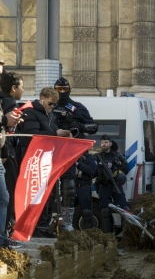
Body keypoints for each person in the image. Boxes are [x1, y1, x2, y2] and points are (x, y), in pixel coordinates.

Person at [20, 87, 70, 236]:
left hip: (47, 160)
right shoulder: (30, 112)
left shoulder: (50, 115)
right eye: (50, 104)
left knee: (48, 195)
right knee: (36, 195)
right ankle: (35, 228)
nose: (52, 107)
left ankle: (43, 225)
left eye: (54, 104)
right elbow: (31, 135)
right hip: (34, 160)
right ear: (42, 99)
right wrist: (55, 133)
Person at [53, 77, 95, 231]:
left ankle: (67, 222)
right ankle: (49, 221)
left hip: (70, 152)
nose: (62, 92)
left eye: (64, 89)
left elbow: (93, 126)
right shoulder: (50, 107)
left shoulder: (77, 107)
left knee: (69, 187)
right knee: (50, 189)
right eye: (59, 89)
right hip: (51, 151)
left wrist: (79, 126)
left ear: (69, 89)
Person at [0, 72, 24, 232]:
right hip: (7, 156)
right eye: (21, 87)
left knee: (4, 198)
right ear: (13, 87)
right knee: (6, 197)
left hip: (4, 154)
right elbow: (7, 132)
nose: (23, 90)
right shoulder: (8, 102)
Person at [95, 135, 129, 233]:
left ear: (110, 143)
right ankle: (108, 237)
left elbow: (126, 168)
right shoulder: (97, 157)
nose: (103, 144)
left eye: (106, 142)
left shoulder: (117, 156)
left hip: (116, 186)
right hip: (104, 186)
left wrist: (118, 164)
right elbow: (93, 170)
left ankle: (125, 234)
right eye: (102, 142)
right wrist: (100, 167)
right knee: (105, 211)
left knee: (125, 209)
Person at [74, 150, 98, 229]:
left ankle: (88, 232)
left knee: (86, 212)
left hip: (84, 187)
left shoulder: (90, 158)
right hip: (71, 186)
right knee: (67, 211)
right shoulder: (71, 155)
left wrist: (78, 164)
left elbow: (91, 170)